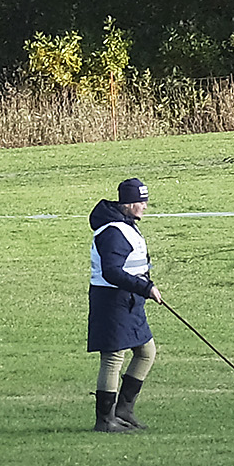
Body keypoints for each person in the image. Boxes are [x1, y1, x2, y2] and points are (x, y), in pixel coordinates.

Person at [88, 177, 160, 432]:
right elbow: (112, 272)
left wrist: (144, 286)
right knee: (113, 358)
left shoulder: (125, 225)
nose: (145, 206)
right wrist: (146, 287)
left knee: (146, 352)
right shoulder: (113, 232)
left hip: (130, 301)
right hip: (112, 301)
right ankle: (105, 420)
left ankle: (124, 411)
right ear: (128, 204)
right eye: (141, 201)